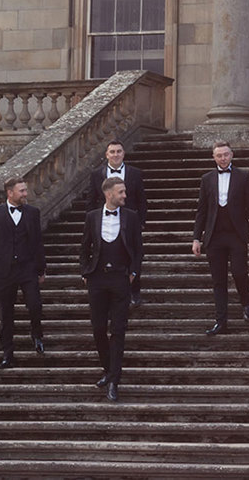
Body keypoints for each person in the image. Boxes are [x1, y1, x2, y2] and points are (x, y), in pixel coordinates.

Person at [79, 176, 142, 401]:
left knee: (118, 331)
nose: (125, 195)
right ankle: (108, 370)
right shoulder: (92, 217)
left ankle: (115, 379)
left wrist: (133, 273)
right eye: (121, 192)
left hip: (120, 280)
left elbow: (138, 249)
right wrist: (85, 272)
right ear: (109, 194)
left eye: (125, 191)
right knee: (98, 329)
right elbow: (84, 247)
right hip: (97, 279)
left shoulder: (132, 217)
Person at [192, 141, 249, 335]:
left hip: (237, 234)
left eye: (226, 154)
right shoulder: (207, 179)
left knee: (239, 272)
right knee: (218, 280)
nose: (223, 158)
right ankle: (221, 321)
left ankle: (246, 302)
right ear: (214, 157)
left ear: (232, 155)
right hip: (214, 236)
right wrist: (197, 238)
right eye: (219, 155)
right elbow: (202, 211)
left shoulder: (243, 176)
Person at [0, 176, 46, 369]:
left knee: (35, 304)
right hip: (4, 271)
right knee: (5, 315)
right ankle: (8, 354)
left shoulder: (33, 212)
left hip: (27, 269)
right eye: (22, 191)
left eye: (25, 190)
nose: (26, 194)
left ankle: (37, 334)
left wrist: (41, 268)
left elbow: (38, 243)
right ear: (10, 193)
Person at [87, 138, 148, 305]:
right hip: (105, 221)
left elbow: (142, 199)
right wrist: (92, 223)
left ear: (124, 153)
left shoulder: (134, 173)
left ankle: (135, 291)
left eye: (119, 151)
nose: (116, 155)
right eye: (112, 152)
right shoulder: (96, 174)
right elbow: (91, 200)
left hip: (130, 223)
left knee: (134, 255)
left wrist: (141, 222)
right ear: (106, 154)